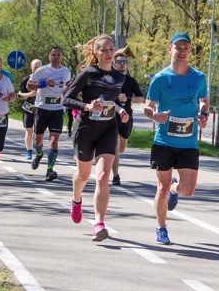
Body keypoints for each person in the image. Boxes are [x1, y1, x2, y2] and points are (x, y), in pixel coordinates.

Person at [144, 32, 209, 245]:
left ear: (190, 51)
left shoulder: (198, 77)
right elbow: (147, 106)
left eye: (185, 48)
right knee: (160, 188)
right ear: (169, 49)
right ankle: (161, 228)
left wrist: (203, 114)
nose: (181, 52)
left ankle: (175, 189)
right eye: (177, 47)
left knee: (188, 190)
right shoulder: (160, 79)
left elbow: (204, 101)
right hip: (164, 140)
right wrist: (154, 115)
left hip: (188, 141)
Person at [63, 34, 129, 242]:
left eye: (111, 49)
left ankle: (99, 223)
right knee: (83, 176)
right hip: (86, 128)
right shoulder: (88, 74)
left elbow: (109, 101)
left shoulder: (119, 77)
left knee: (102, 177)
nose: (109, 53)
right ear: (95, 52)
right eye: (104, 50)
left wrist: (120, 111)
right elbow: (67, 99)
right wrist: (87, 106)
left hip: (108, 129)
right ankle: (76, 199)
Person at [27, 46, 71, 181]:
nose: (56, 57)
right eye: (53, 55)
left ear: (61, 57)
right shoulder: (42, 70)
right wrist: (43, 83)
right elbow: (29, 85)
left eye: (58, 55)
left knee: (54, 140)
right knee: (38, 140)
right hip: (42, 108)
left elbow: (68, 86)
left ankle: (50, 170)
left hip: (57, 110)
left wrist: (66, 89)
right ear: (49, 56)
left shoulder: (66, 71)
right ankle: (39, 154)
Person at [111, 51, 145, 185]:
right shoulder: (110, 78)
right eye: (119, 62)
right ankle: (115, 175)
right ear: (114, 64)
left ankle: (112, 157)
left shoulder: (131, 81)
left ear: (127, 65)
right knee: (115, 145)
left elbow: (141, 98)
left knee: (122, 147)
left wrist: (128, 98)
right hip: (111, 115)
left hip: (126, 116)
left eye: (124, 62)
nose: (122, 65)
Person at [18, 58, 42, 160]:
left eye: (39, 67)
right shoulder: (26, 80)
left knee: (38, 132)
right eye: (35, 67)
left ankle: (38, 150)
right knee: (29, 131)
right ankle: (29, 151)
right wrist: (29, 94)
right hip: (28, 108)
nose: (36, 69)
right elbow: (19, 95)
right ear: (31, 67)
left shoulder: (44, 79)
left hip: (40, 108)